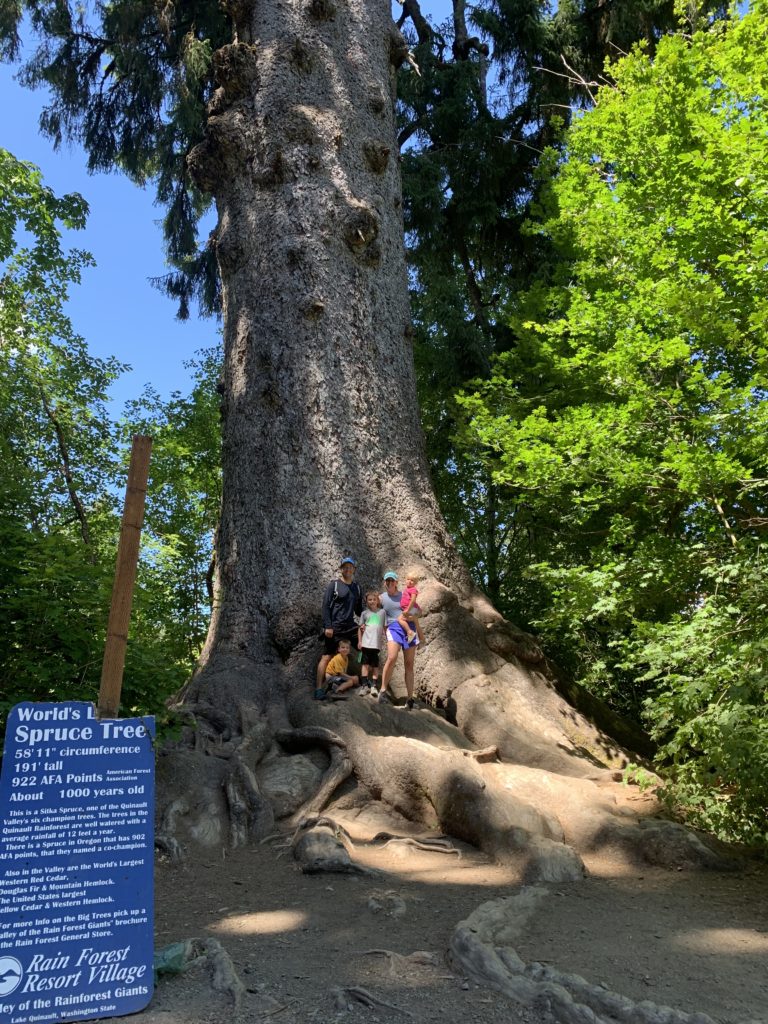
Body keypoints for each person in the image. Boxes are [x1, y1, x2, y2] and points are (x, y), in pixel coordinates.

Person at [315, 556, 363, 694]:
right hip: (335, 627)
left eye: (350, 567)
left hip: (350, 627)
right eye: (345, 567)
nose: (348, 569)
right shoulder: (334, 585)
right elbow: (325, 607)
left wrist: (373, 616)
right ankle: (319, 688)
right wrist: (328, 626)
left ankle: (366, 682)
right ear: (341, 569)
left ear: (354, 569)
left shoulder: (357, 588)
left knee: (365, 650)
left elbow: (359, 610)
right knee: (326, 657)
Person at [377, 570, 419, 710]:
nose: (389, 583)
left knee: (409, 663)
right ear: (385, 583)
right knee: (392, 657)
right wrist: (383, 629)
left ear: (396, 583)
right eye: (387, 581)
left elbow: (417, 610)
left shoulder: (404, 594)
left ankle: (410, 698)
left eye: (392, 581)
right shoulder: (381, 598)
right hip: (393, 627)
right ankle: (383, 691)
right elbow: (378, 614)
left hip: (409, 627)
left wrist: (414, 616)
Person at [357, 591, 386, 696]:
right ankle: (364, 686)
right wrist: (360, 641)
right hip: (366, 643)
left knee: (375, 665)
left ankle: (374, 686)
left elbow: (384, 627)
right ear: (366, 601)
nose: (372, 601)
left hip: (376, 644)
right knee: (364, 664)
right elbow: (360, 628)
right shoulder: (364, 613)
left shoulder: (382, 612)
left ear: (377, 600)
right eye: (370, 599)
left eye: (374, 599)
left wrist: (387, 639)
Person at [397, 568, 425, 645]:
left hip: (412, 609)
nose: (409, 581)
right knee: (416, 623)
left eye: (412, 580)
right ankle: (422, 640)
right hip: (412, 609)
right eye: (408, 579)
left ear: (415, 583)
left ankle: (410, 632)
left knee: (400, 619)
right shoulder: (407, 589)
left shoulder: (413, 590)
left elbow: (413, 600)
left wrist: (408, 610)